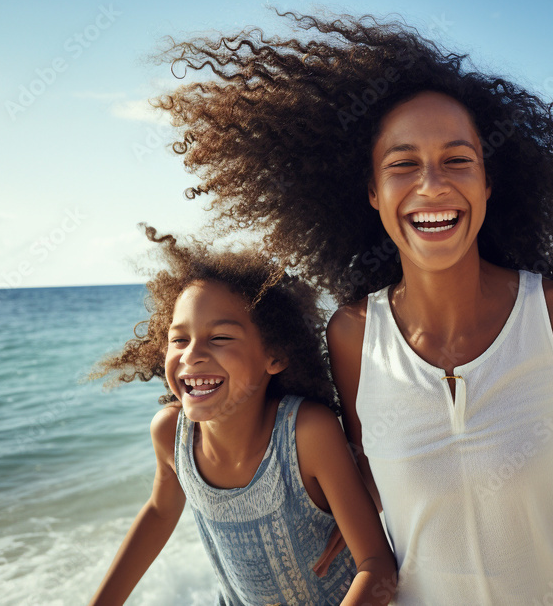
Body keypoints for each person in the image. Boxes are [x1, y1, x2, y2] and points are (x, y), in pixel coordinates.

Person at [154, 12, 553, 606]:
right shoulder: (352, 336)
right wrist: (352, 541)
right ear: (373, 193)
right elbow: (360, 466)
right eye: (403, 164)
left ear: (486, 183)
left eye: (457, 160)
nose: (431, 184)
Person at [87, 226, 396, 606]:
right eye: (179, 339)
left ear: (275, 356)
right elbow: (159, 511)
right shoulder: (172, 433)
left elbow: (378, 566)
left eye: (220, 338)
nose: (192, 355)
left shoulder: (307, 434)